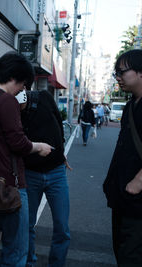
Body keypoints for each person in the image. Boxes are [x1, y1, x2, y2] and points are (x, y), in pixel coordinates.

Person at [0, 52, 52, 267]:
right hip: (11, 187)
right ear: (15, 77)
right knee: (15, 249)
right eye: (23, 84)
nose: (22, 90)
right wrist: (39, 147)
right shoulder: (7, 101)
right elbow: (18, 143)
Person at [21, 90, 71, 267]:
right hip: (30, 173)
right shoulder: (10, 108)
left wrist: (61, 152)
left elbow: (59, 122)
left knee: (62, 227)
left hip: (56, 172)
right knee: (26, 225)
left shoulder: (44, 97)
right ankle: (29, 262)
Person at [103, 49, 142, 266]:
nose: (117, 77)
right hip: (123, 199)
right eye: (115, 72)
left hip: (137, 201)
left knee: (131, 256)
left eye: (122, 72)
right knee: (121, 251)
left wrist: (137, 182)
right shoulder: (130, 106)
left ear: (140, 73)